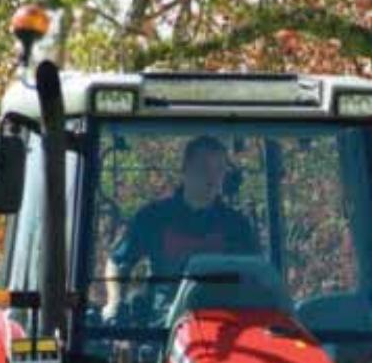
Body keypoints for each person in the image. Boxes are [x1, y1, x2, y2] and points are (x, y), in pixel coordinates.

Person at [103, 135, 259, 320]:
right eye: (204, 168)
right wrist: (114, 302)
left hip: (223, 320)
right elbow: (118, 262)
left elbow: (256, 276)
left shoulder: (237, 225)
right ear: (185, 170)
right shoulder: (154, 217)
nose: (212, 177)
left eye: (219, 170)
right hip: (164, 323)